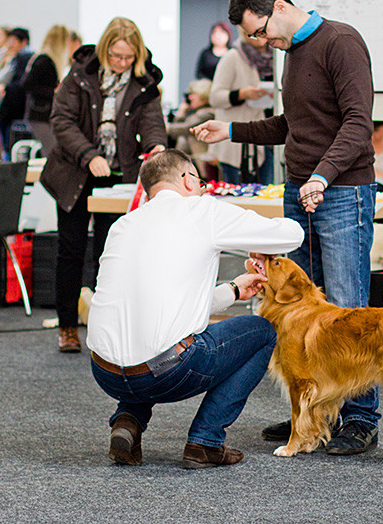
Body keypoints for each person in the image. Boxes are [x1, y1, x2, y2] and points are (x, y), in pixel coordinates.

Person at [193, 0, 380, 455]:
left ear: (279, 7)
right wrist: (230, 132)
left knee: (345, 309)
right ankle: (310, 412)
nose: (260, 43)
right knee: (302, 313)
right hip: (302, 191)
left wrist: (323, 176)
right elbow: (292, 124)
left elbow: (359, 123)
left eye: (259, 31)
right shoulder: (292, 56)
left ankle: (360, 417)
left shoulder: (341, 43)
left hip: (341, 191)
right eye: (253, 37)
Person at [87, 149, 304, 468]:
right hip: (164, 372)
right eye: (200, 181)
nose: (202, 188)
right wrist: (261, 245)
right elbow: (291, 235)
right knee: (262, 332)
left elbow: (168, 302)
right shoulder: (202, 210)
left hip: (103, 371)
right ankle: (206, 441)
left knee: (145, 336)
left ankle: (127, 420)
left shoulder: (123, 225)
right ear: (188, 179)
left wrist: (232, 290)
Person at [40, 16, 167, 354]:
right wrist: (88, 154)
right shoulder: (81, 74)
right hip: (76, 172)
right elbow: (61, 121)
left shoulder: (144, 82)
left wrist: (156, 146)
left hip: (118, 177)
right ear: (105, 49)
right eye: (116, 56)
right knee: (71, 249)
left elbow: (153, 123)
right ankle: (68, 326)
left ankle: (105, 325)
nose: (122, 63)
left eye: (128, 58)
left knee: (110, 254)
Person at [208, 30, 274, 184]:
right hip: (236, 140)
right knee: (237, 195)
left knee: (266, 193)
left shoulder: (275, 58)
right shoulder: (233, 57)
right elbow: (215, 97)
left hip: (266, 136)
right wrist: (243, 94)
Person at [22, 24, 72, 156]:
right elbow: (27, 84)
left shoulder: (45, 60)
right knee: (51, 152)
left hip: (43, 115)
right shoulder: (45, 61)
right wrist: (52, 92)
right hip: (40, 116)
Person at [0, 27, 33, 154]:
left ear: (24, 42)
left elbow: (19, 84)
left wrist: (5, 88)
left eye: (13, 41)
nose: (10, 45)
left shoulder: (23, 58)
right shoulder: (22, 58)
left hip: (17, 111)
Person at [166, 79, 215, 157]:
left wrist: (167, 127)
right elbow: (177, 134)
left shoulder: (208, 113)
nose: (190, 97)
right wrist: (181, 113)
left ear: (203, 94)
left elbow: (187, 128)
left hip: (199, 158)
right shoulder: (196, 113)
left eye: (193, 94)